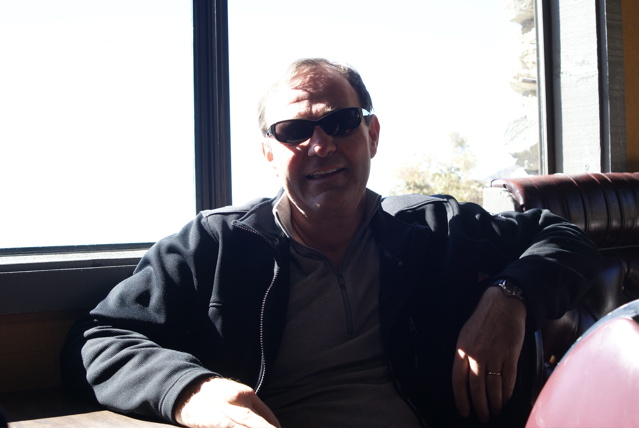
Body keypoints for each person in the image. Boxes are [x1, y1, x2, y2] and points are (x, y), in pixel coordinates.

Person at [61, 58, 601, 428]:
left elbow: (566, 238)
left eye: (341, 123)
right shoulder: (215, 244)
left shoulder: (435, 228)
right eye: (293, 131)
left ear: (372, 135)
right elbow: (99, 339)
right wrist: (191, 391)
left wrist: (509, 296)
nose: (320, 145)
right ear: (269, 153)